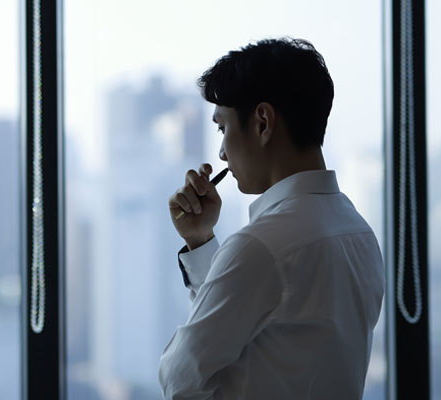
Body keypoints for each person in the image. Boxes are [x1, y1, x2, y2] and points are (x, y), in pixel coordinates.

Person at [160, 37, 385, 399]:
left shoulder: (261, 247)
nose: (220, 152)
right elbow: (257, 330)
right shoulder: (359, 233)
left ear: (263, 122)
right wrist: (201, 241)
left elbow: (179, 378)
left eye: (223, 128)